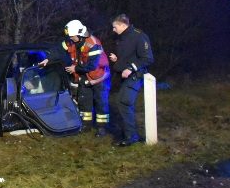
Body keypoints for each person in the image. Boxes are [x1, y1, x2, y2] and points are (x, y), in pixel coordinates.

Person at [38, 19, 111, 136]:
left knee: (100, 103)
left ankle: (102, 128)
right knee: (84, 102)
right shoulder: (71, 41)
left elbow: (92, 65)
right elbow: (59, 50)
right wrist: (48, 59)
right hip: (84, 76)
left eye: (72, 37)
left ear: (80, 34)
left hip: (99, 77)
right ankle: (86, 125)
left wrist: (75, 69)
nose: (70, 39)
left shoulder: (93, 44)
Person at [108, 13, 154, 147]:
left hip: (135, 76)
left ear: (122, 25)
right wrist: (117, 60)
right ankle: (128, 133)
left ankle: (130, 136)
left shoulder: (139, 36)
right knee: (123, 103)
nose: (113, 30)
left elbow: (147, 58)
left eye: (115, 27)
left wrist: (131, 68)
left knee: (124, 102)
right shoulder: (123, 38)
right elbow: (129, 56)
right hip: (125, 77)